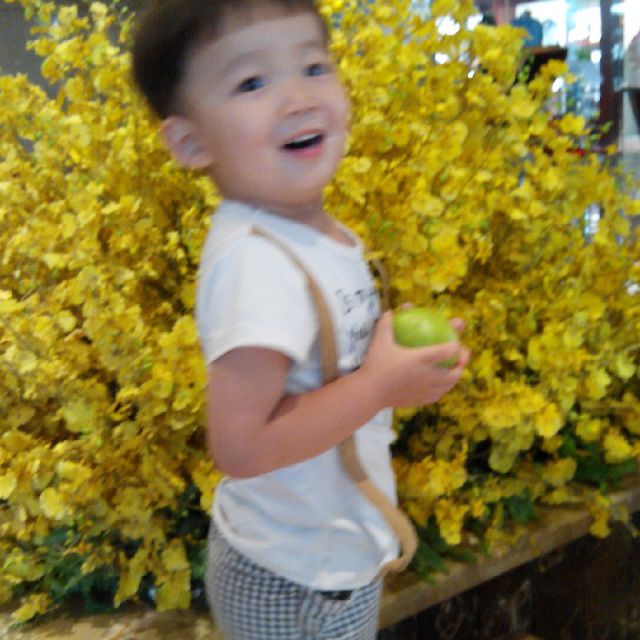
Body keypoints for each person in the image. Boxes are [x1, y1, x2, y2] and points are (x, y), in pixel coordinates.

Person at [131, 1, 469, 638]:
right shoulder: (257, 264)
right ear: (191, 142)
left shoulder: (311, 232)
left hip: (329, 559)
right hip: (292, 581)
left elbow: (327, 370)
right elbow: (241, 446)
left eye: (314, 67)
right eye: (252, 82)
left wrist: (399, 363)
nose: (298, 98)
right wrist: (378, 385)